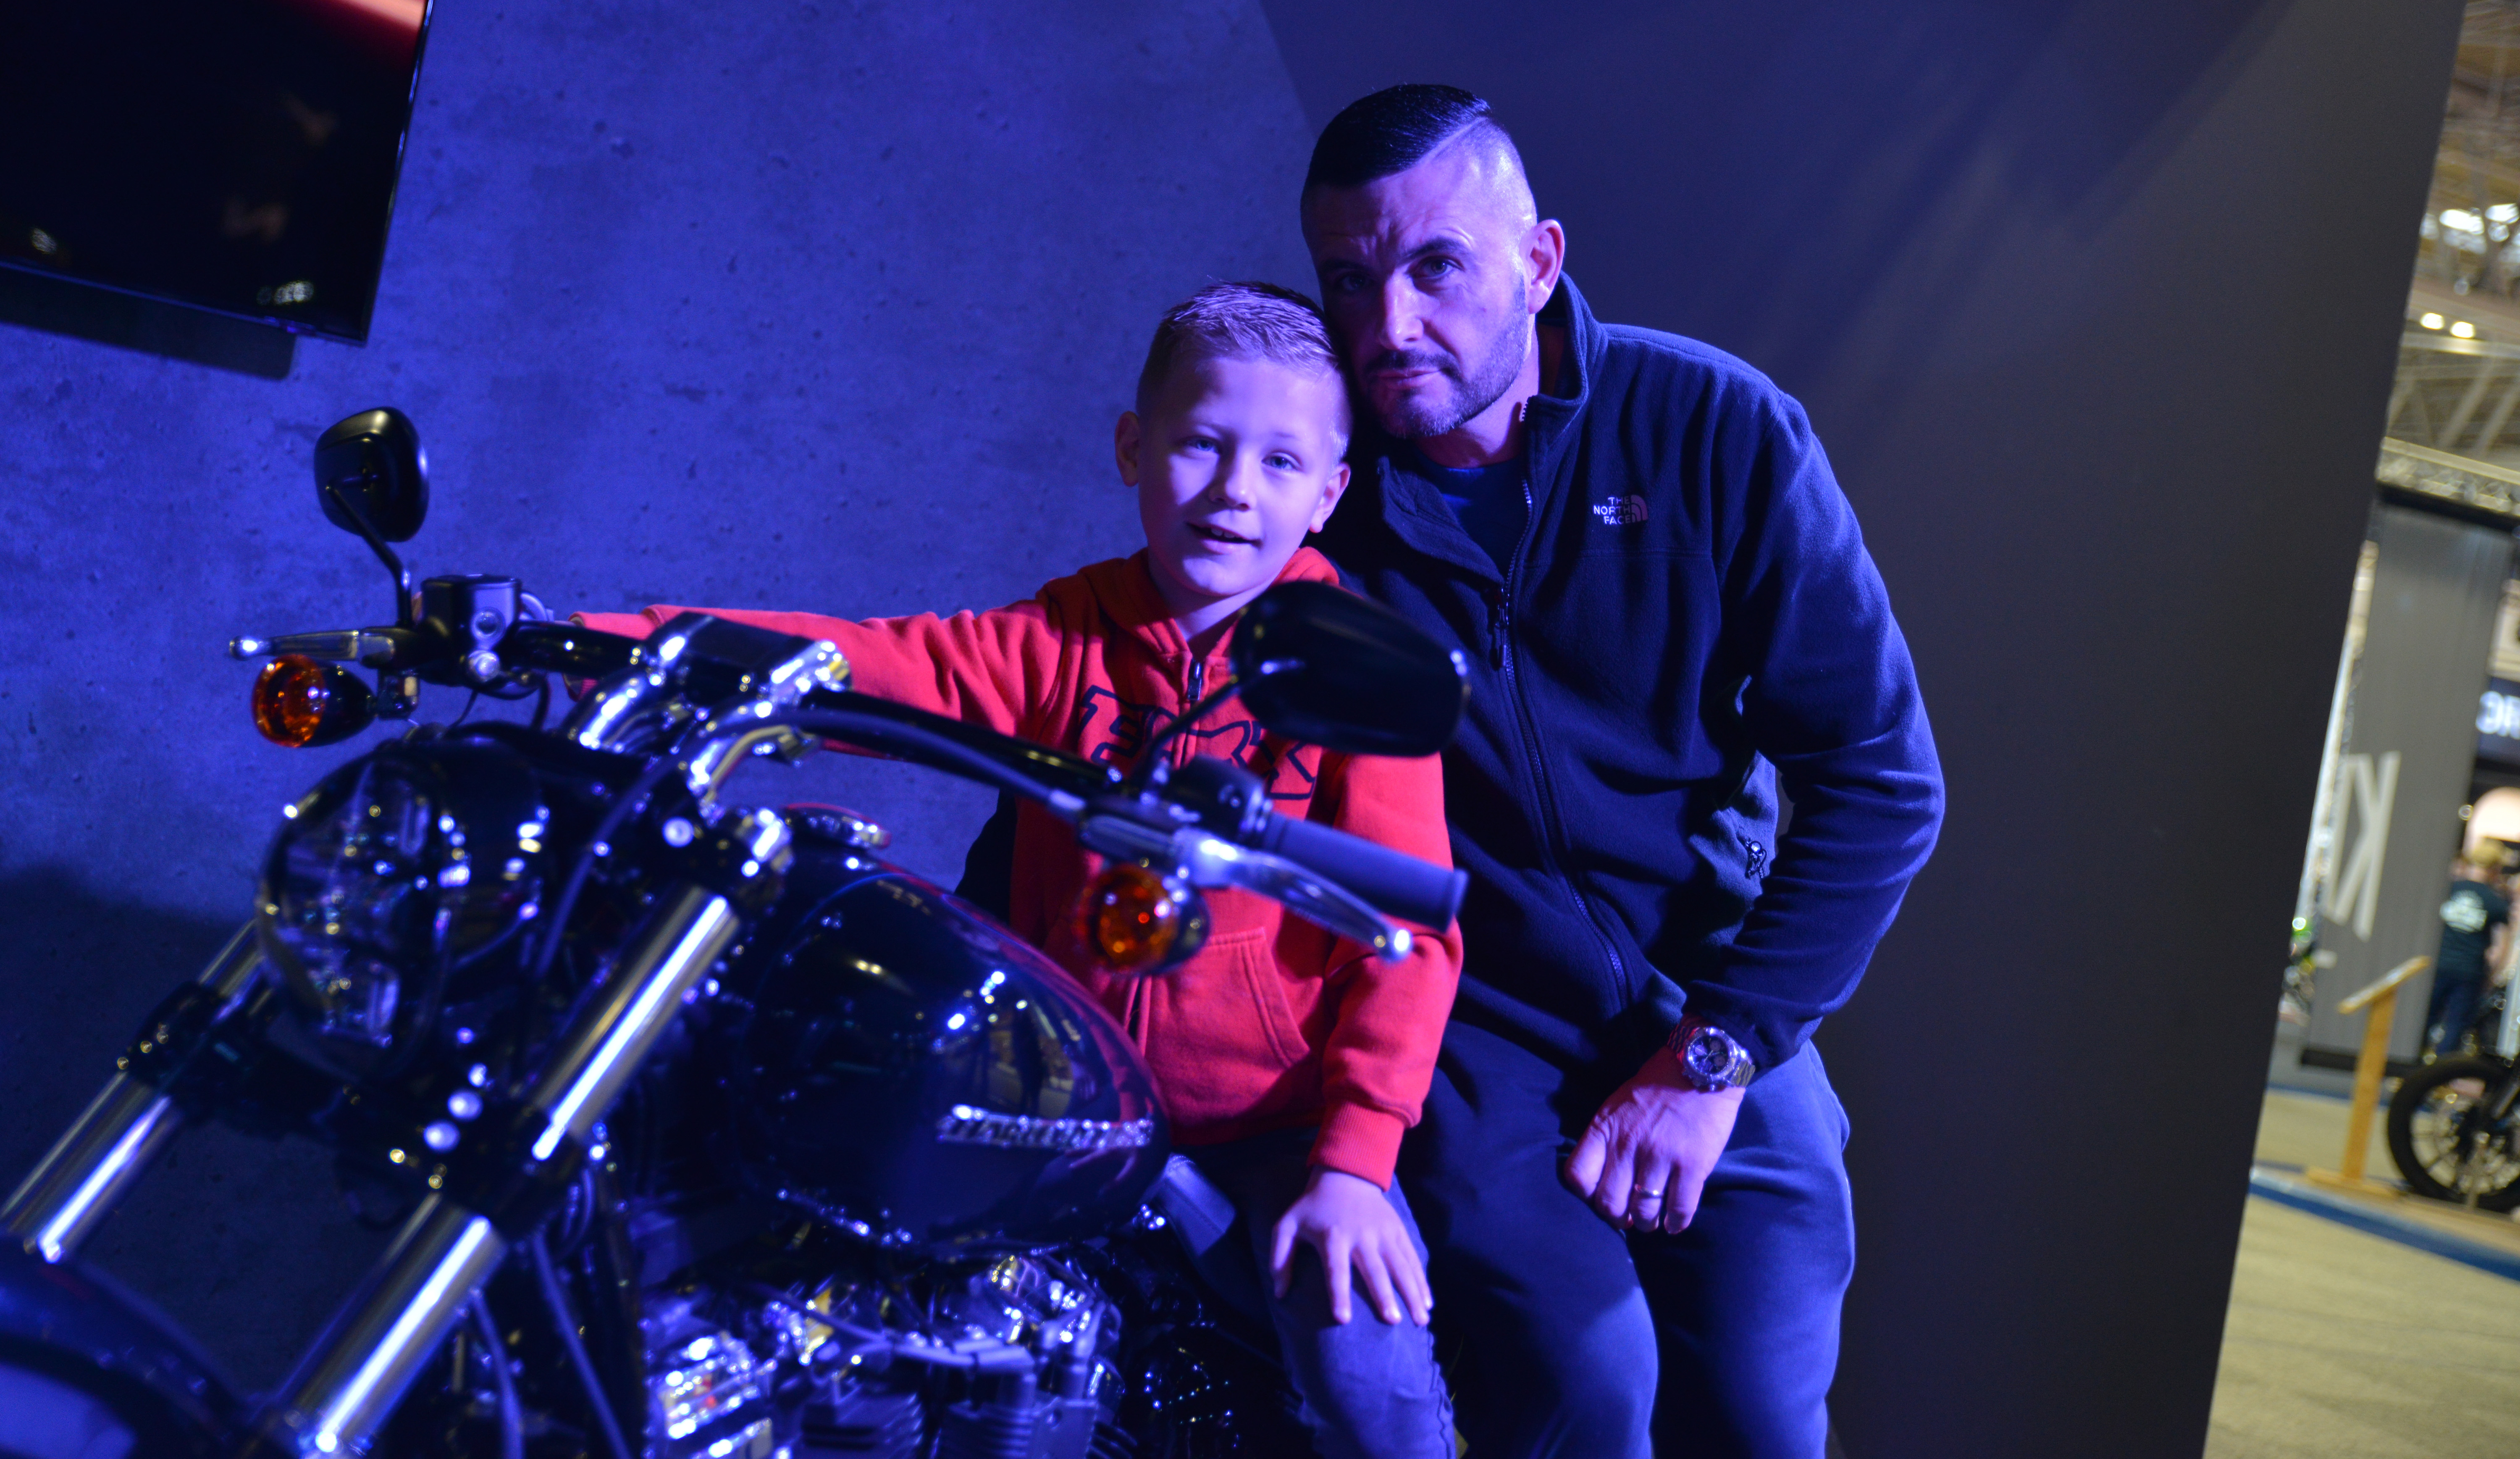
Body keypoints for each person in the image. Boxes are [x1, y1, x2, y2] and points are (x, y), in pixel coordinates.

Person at [580, 283, 1461, 1459]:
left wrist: (1354, 1161)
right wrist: (626, 648)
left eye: (1281, 461)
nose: (1235, 491)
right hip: (1066, 1099)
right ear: (1133, 447)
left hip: (1278, 1127)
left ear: (1329, 492)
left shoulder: (1356, 681)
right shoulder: (1068, 638)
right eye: (1202, 444)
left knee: (1367, 1372)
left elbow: (1415, 939)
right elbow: (876, 665)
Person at [1302, 85, 1945, 1459]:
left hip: (1718, 1008)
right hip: (1479, 1037)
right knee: (1588, 1388)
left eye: (1435, 268)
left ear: (1538, 262)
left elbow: (1883, 778)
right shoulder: (1320, 489)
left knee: (1762, 1420)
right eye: (1349, 281)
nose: (1388, 325)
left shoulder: (1714, 425)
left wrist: (1714, 1056)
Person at [2425, 841, 2512, 1060]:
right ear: (2495, 868)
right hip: (2469, 971)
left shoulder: (2449, 889)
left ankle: (2411, 1067)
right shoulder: (2496, 902)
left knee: (2425, 1017)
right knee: (2456, 1024)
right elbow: (2501, 947)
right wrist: (2492, 976)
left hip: (2438, 965)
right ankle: (2440, 1072)